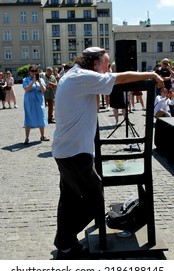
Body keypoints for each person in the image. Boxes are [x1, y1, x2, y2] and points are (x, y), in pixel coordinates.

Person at [52, 47, 164, 260]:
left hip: (67, 150)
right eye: (105, 65)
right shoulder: (82, 76)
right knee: (94, 199)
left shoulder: (74, 75)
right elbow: (119, 78)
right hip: (75, 153)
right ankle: (65, 241)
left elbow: (102, 92)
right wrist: (151, 74)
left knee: (69, 199)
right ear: (94, 64)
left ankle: (65, 244)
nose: (107, 70)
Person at [22, 64, 49, 144]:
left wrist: (39, 82)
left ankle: (42, 136)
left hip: (39, 100)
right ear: (29, 72)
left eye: (35, 71)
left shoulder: (41, 80)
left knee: (41, 115)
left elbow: (44, 91)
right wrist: (32, 82)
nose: (34, 73)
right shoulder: (26, 79)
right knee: (29, 116)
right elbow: (26, 90)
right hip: (29, 100)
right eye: (32, 71)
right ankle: (27, 138)